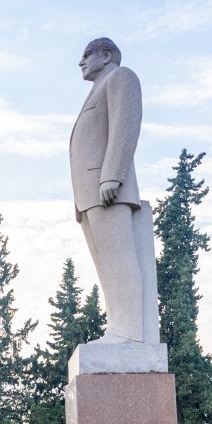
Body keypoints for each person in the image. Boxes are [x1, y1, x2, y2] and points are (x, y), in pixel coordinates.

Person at [70, 36, 155, 345]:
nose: (80, 62)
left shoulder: (121, 77)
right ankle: (117, 326)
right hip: (88, 194)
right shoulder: (97, 88)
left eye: (86, 55)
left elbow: (125, 125)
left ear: (105, 55)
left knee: (119, 259)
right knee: (106, 265)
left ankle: (129, 332)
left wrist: (112, 176)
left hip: (108, 188)